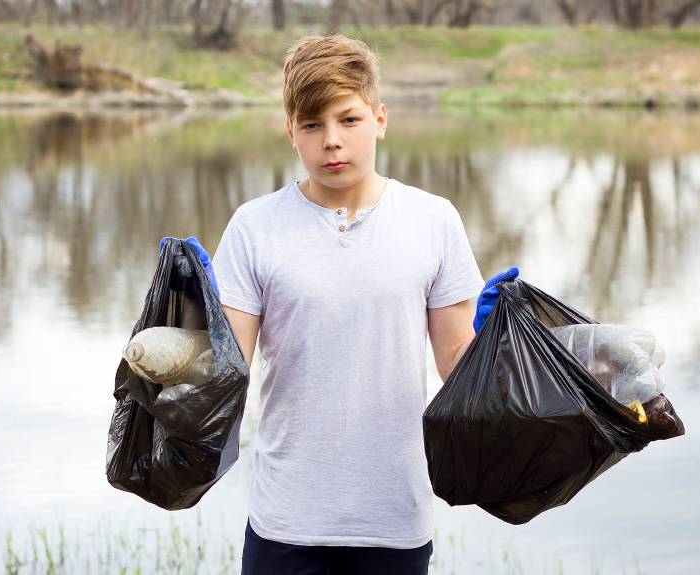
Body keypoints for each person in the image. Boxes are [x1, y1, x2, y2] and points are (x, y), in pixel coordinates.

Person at [161, 34, 517, 575]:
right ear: (290, 132)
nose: (332, 141)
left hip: (394, 520)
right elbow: (223, 376)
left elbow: (456, 369)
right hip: (286, 521)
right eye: (312, 125)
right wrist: (192, 310)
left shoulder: (433, 220)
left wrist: (493, 343)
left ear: (379, 119)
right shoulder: (255, 227)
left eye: (348, 120)